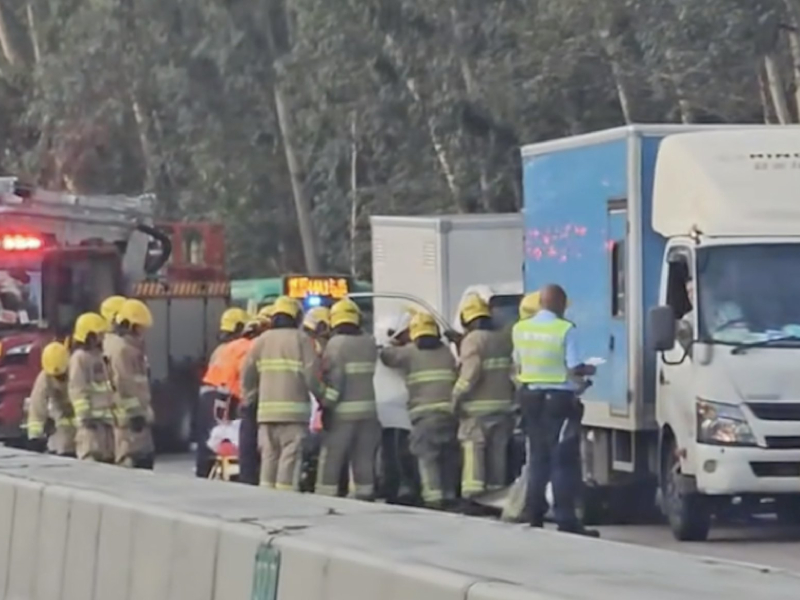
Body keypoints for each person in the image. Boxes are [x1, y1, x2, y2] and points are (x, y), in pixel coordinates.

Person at [513, 284, 598, 537]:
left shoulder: (520, 329)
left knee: (538, 457)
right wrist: (588, 370)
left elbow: (518, 362)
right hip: (559, 399)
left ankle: (534, 514)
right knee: (563, 460)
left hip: (529, 396)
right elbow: (573, 366)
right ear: (560, 304)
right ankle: (566, 519)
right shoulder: (564, 329)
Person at [241, 295, 322, 490]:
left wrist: (249, 397)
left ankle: (266, 497)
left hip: (266, 414)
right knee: (289, 458)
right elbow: (312, 376)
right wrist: (323, 398)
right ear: (296, 317)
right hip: (294, 415)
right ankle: (285, 500)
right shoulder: (302, 340)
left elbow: (247, 373)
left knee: (269, 457)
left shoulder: (261, 341)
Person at [379, 311, 459, 509]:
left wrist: (391, 341)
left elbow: (386, 356)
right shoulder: (447, 352)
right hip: (450, 414)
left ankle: (433, 499)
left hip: (425, 416)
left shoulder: (410, 352)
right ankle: (449, 495)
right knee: (447, 457)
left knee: (427, 457)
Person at [452, 294, 515, 503]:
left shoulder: (472, 340)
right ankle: (496, 495)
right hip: (503, 408)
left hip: (476, 412)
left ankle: (473, 495)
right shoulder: (503, 339)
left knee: (474, 450)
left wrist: (456, 398)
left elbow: (471, 373)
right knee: (498, 453)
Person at [316, 298, 380, 500]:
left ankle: (325, 496)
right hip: (369, 412)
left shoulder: (336, 344)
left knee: (332, 458)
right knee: (363, 458)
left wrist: (326, 406)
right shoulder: (369, 342)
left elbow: (336, 381)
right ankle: (365, 494)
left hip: (342, 414)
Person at [196, 307, 249, 477]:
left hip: (207, 395)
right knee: (228, 440)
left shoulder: (220, 350)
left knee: (209, 442)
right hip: (223, 397)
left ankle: (203, 475)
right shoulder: (239, 349)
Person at [107, 299, 156, 469]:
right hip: (129, 425)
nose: (143, 332)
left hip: (138, 422)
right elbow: (123, 384)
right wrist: (135, 413)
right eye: (140, 327)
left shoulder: (132, 349)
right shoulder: (122, 350)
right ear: (130, 326)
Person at [225, 316, 269, 484]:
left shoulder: (235, 345)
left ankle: (247, 476)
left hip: (231, 395)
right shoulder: (255, 347)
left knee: (246, 441)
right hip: (251, 399)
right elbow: (250, 375)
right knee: (254, 443)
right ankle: (250, 478)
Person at [68, 312, 116, 463]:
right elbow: (77, 388)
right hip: (90, 426)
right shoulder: (79, 358)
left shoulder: (100, 356)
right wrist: (84, 415)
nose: (102, 337)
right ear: (88, 335)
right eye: (98, 334)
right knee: (90, 461)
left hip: (105, 424)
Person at [27, 342, 76, 457]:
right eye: (56, 376)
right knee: (64, 446)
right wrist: (35, 437)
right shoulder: (44, 378)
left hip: (86, 422)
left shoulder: (77, 368)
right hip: (62, 417)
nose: (59, 378)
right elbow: (37, 406)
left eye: (62, 375)